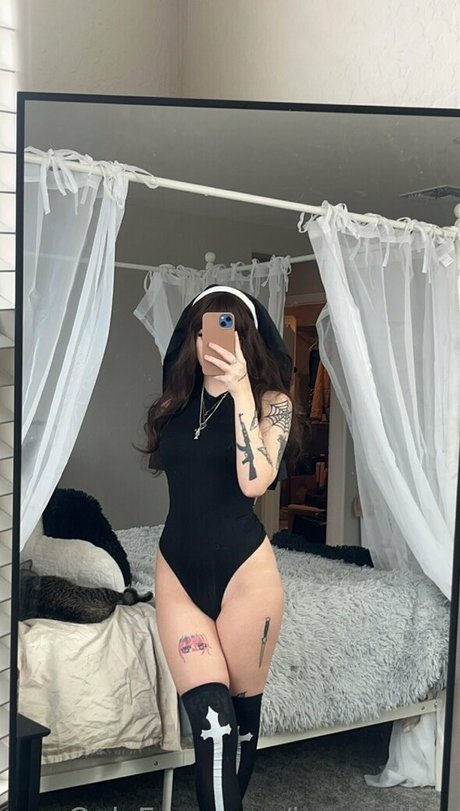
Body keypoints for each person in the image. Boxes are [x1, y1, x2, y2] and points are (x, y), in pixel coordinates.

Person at [144, 285, 298, 810]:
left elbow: (255, 482)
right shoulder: (177, 399)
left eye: (228, 329)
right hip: (178, 575)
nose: (213, 342)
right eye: (204, 330)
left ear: (246, 338)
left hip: (246, 580)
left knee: (241, 730)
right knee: (212, 728)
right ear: (192, 337)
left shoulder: (273, 405)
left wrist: (239, 392)